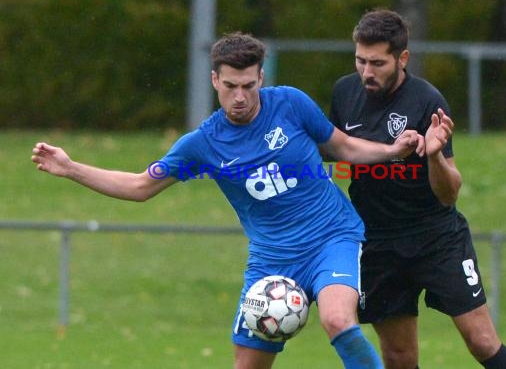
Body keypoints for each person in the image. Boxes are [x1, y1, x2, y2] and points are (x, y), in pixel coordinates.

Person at [31, 32, 425, 369]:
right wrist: (71, 168)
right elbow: (139, 186)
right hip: (271, 260)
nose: (240, 97)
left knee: (338, 320)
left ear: (261, 78)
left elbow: (343, 147)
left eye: (249, 86)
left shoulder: (290, 103)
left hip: (332, 237)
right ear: (215, 80)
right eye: (231, 86)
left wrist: (392, 151)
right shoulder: (202, 144)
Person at [328, 9, 506, 369]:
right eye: (360, 60)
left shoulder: (427, 101)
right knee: (399, 357)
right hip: (377, 242)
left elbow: (449, 193)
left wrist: (434, 156)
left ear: (403, 58)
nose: (367, 73)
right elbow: (330, 148)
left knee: (482, 341)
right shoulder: (344, 93)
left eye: (377, 63)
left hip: (436, 236)